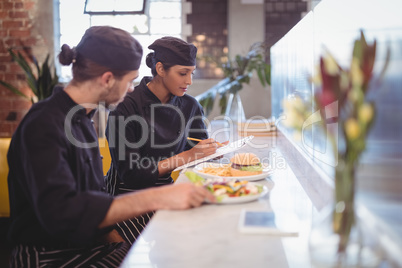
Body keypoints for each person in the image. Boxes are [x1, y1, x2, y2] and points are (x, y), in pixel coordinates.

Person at [7, 26, 215, 268]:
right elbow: (61, 215)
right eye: (129, 81)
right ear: (107, 79)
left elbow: (93, 195)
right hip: (47, 256)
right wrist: (158, 197)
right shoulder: (44, 124)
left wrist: (118, 243)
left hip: (87, 245)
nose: (130, 90)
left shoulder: (82, 119)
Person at [105, 36, 222, 244]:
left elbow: (198, 158)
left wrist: (212, 154)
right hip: (124, 199)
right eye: (182, 73)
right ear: (160, 69)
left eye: (192, 73)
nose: (189, 81)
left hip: (166, 191)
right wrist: (187, 155)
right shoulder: (126, 106)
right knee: (165, 243)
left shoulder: (190, 106)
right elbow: (132, 174)